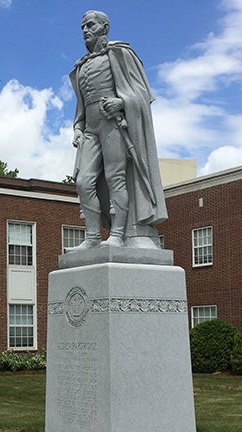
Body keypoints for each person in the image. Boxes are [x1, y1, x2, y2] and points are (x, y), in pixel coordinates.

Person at [66, 10, 167, 252]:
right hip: (90, 129)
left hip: (113, 124)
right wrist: (77, 128)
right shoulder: (82, 66)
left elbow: (142, 93)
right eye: (82, 27)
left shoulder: (121, 54)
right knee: (83, 181)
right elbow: (81, 105)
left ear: (104, 27)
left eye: (90, 25)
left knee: (115, 178)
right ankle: (92, 236)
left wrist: (122, 102)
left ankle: (118, 234)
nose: (85, 31)